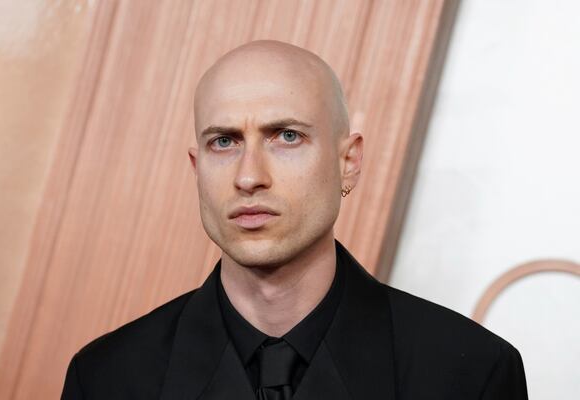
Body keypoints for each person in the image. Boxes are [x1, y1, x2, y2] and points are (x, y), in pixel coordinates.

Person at [61, 40, 528, 400]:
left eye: (286, 136)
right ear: (196, 166)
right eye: (223, 142)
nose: (249, 177)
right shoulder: (105, 377)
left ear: (349, 161)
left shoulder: (471, 373)